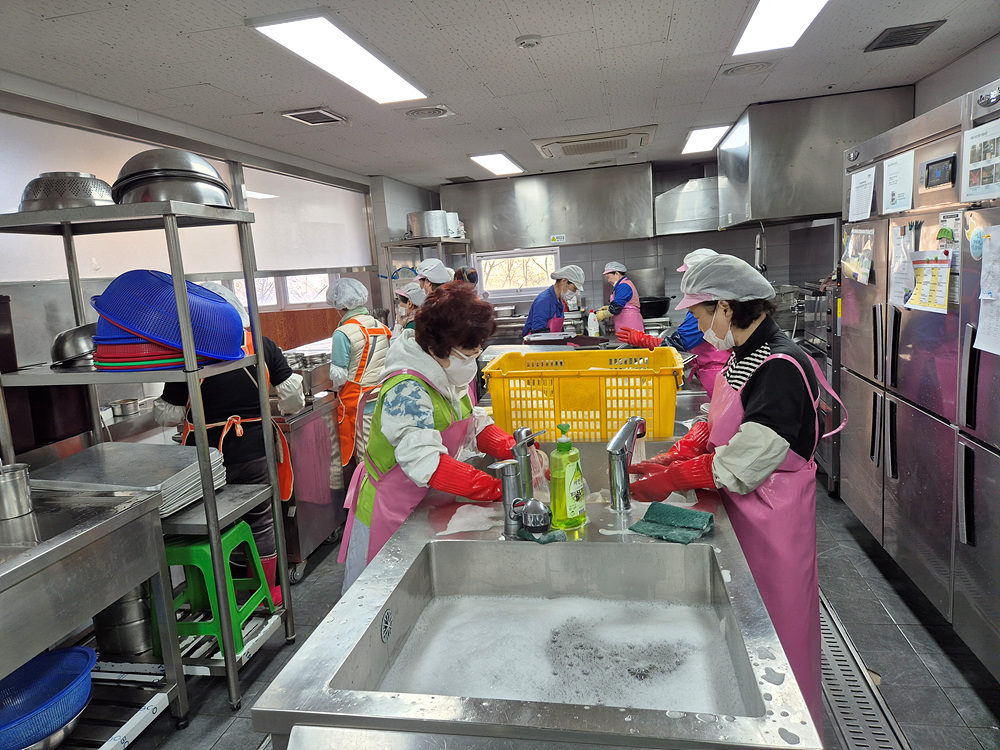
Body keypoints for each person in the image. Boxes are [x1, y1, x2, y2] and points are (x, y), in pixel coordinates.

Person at [627, 255, 843, 736]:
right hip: (744, 508)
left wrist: (674, 478)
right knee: (746, 632)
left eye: (699, 313)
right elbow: (726, 418)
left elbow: (745, 461)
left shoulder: (781, 364)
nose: (697, 325)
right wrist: (682, 450)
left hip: (772, 519)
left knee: (776, 634)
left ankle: (791, 733)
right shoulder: (747, 353)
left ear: (725, 307)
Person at [338, 281, 523, 592]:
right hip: (393, 510)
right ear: (439, 347)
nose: (473, 359)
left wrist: (512, 448)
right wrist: (494, 488)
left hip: (428, 503)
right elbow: (425, 461)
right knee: (386, 595)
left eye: (477, 351)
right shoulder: (406, 388)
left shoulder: (447, 373)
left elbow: (469, 420)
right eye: (468, 353)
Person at [153, 282, 305, 605]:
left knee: (215, 524)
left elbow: (168, 413)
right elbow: (293, 396)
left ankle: (224, 596)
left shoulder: (190, 354)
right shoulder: (259, 344)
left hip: (206, 459)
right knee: (262, 520)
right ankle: (268, 592)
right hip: (255, 451)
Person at [615, 248, 730, 397]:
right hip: (710, 371)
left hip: (715, 374)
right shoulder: (707, 302)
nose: (685, 280)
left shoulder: (709, 306)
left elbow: (680, 343)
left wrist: (644, 340)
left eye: (687, 274)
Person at [327, 278, 392, 478]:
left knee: (366, 460)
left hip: (358, 405)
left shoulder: (342, 333)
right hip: (381, 398)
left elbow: (339, 376)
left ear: (339, 305)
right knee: (382, 453)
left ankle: (367, 495)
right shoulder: (380, 326)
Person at [522, 265, 585, 337]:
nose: (575, 292)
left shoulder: (559, 302)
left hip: (551, 340)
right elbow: (538, 335)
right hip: (540, 342)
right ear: (564, 281)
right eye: (574, 288)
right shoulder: (544, 301)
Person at [597, 261, 643, 333]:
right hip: (626, 324)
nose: (608, 280)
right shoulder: (622, 285)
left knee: (632, 340)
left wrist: (603, 314)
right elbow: (623, 304)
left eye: (609, 277)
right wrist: (609, 308)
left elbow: (616, 308)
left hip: (630, 324)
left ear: (617, 274)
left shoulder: (623, 286)